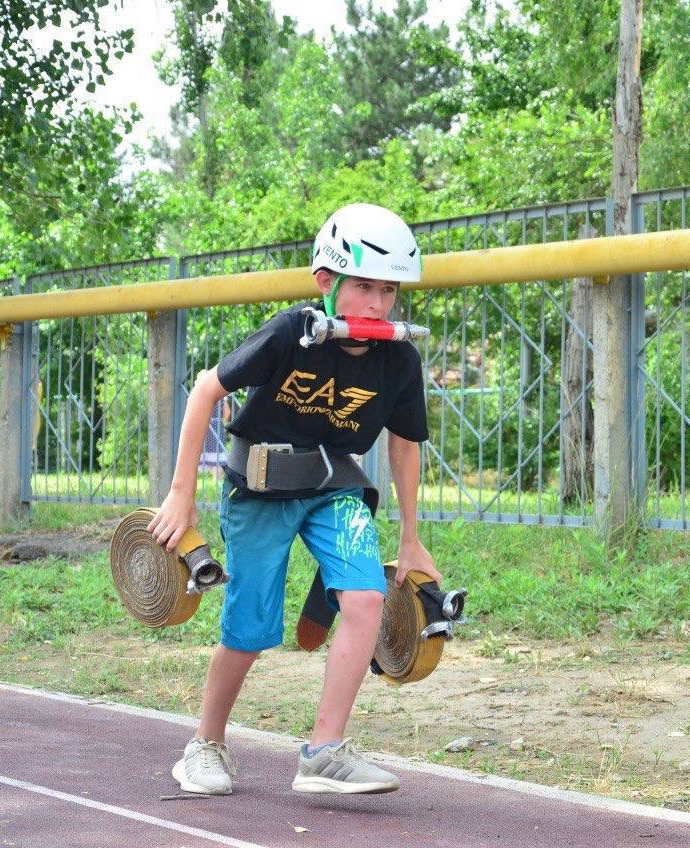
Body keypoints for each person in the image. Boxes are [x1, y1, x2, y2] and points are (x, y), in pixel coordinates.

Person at [148, 203, 441, 796]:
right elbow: (205, 391)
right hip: (261, 490)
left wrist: (411, 537)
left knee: (366, 598)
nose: (377, 305)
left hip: (335, 491)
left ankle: (324, 753)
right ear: (326, 281)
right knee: (250, 629)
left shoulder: (400, 359)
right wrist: (181, 494)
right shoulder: (290, 332)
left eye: (388, 291)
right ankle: (205, 743)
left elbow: (405, 443)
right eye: (363, 287)